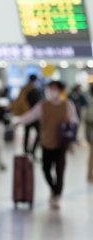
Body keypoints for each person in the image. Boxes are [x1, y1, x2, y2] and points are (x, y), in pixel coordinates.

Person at [13, 81, 78, 209]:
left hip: (61, 143)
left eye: (55, 88)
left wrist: (71, 137)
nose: (52, 91)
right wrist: (19, 121)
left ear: (60, 90)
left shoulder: (67, 105)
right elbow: (31, 115)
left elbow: (74, 121)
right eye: (50, 88)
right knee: (46, 169)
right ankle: (54, 189)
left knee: (60, 170)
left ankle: (57, 195)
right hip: (47, 141)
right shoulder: (43, 105)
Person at [19, 75, 42, 157]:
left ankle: (26, 151)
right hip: (34, 115)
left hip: (27, 114)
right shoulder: (34, 90)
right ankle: (32, 151)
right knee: (39, 134)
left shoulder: (25, 88)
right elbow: (37, 103)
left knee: (27, 133)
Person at [84, 84, 93, 182]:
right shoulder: (90, 102)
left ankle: (89, 174)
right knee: (91, 153)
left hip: (89, 130)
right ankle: (89, 174)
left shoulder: (88, 101)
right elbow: (88, 119)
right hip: (91, 129)